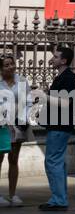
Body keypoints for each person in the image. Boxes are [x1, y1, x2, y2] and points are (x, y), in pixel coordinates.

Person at [41, 46, 75, 212]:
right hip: (58, 125)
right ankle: (60, 197)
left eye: (56, 57)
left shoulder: (69, 78)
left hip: (59, 126)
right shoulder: (62, 76)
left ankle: (58, 200)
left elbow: (65, 103)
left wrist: (44, 96)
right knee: (57, 162)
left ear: (64, 60)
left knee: (52, 162)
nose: (53, 59)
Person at [1, 56, 33, 205]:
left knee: (13, 159)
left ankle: (13, 195)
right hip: (1, 125)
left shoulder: (22, 81)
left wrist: (24, 119)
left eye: (12, 64)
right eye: (6, 65)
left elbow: (28, 101)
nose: (10, 67)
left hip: (17, 125)